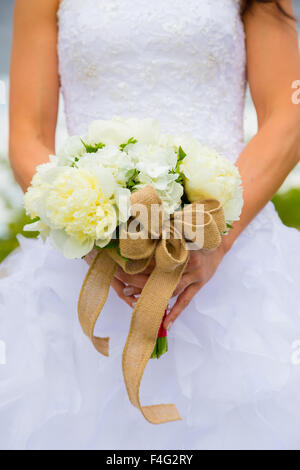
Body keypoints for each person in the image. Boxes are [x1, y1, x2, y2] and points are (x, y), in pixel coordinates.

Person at [1, 0, 300, 450]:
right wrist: (91, 235)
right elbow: (28, 135)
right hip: (88, 262)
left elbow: (290, 111)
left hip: (234, 256)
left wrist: (215, 239)